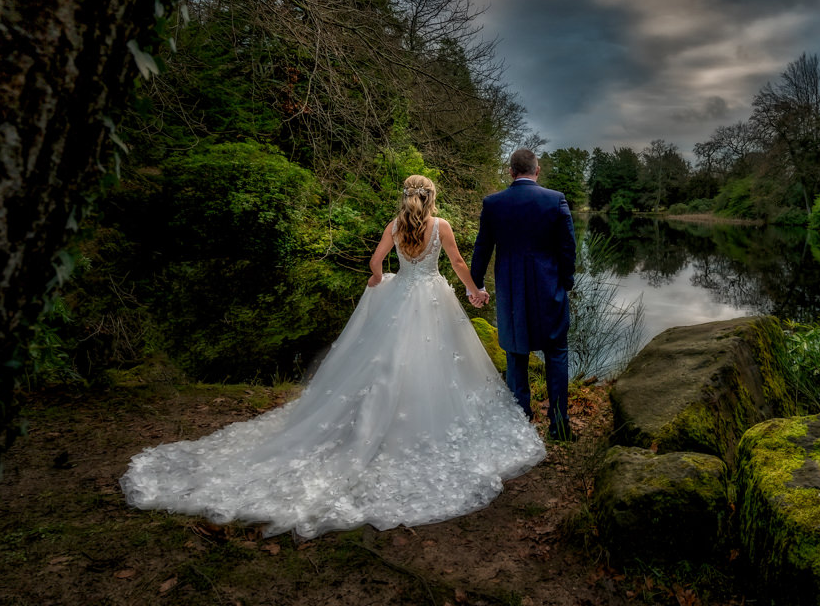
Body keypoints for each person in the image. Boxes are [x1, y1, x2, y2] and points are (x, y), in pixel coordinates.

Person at [119, 175, 545, 538]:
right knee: (437, 366)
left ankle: (370, 423)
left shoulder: (395, 226)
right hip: (433, 298)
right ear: (431, 199)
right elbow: (454, 261)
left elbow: (375, 263)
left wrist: (383, 279)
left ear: (405, 199)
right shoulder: (442, 225)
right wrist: (474, 291)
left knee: (384, 364)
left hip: (402, 297)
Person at [470, 149, 578, 442]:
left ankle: (520, 424)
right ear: (537, 170)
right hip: (549, 290)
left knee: (516, 355)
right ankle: (559, 425)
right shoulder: (555, 199)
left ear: (511, 172)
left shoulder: (493, 203)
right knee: (556, 353)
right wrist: (565, 282)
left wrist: (476, 284)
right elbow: (568, 247)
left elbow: (482, 248)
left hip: (511, 291)